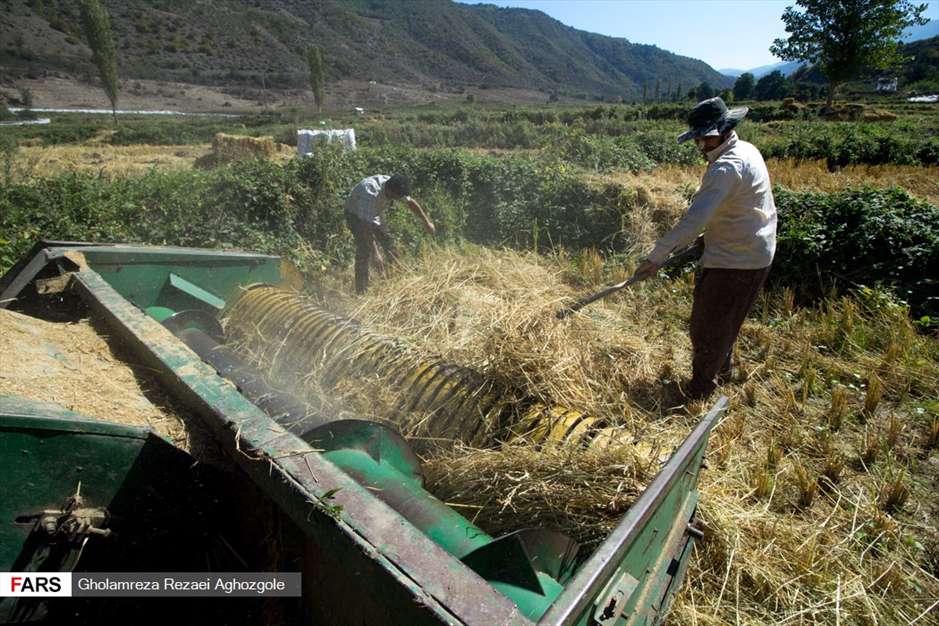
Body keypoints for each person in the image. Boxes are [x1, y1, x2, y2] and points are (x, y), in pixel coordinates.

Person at [633, 97, 777, 401]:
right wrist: (709, 237)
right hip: (751, 248)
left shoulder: (726, 167)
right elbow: (741, 205)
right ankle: (722, 370)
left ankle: (700, 390)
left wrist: (655, 258)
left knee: (707, 327)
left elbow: (693, 221)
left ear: (724, 130)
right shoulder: (746, 148)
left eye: (704, 137)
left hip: (738, 259)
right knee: (725, 319)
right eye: (697, 138)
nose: (700, 145)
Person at [344, 173, 435, 294]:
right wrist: (376, 254)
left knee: (389, 242)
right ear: (390, 191)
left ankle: (395, 280)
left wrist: (426, 222)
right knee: (365, 249)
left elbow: (410, 202)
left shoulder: (395, 185)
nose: (398, 199)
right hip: (355, 215)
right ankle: (362, 291)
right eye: (397, 197)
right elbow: (365, 225)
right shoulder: (369, 192)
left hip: (374, 213)